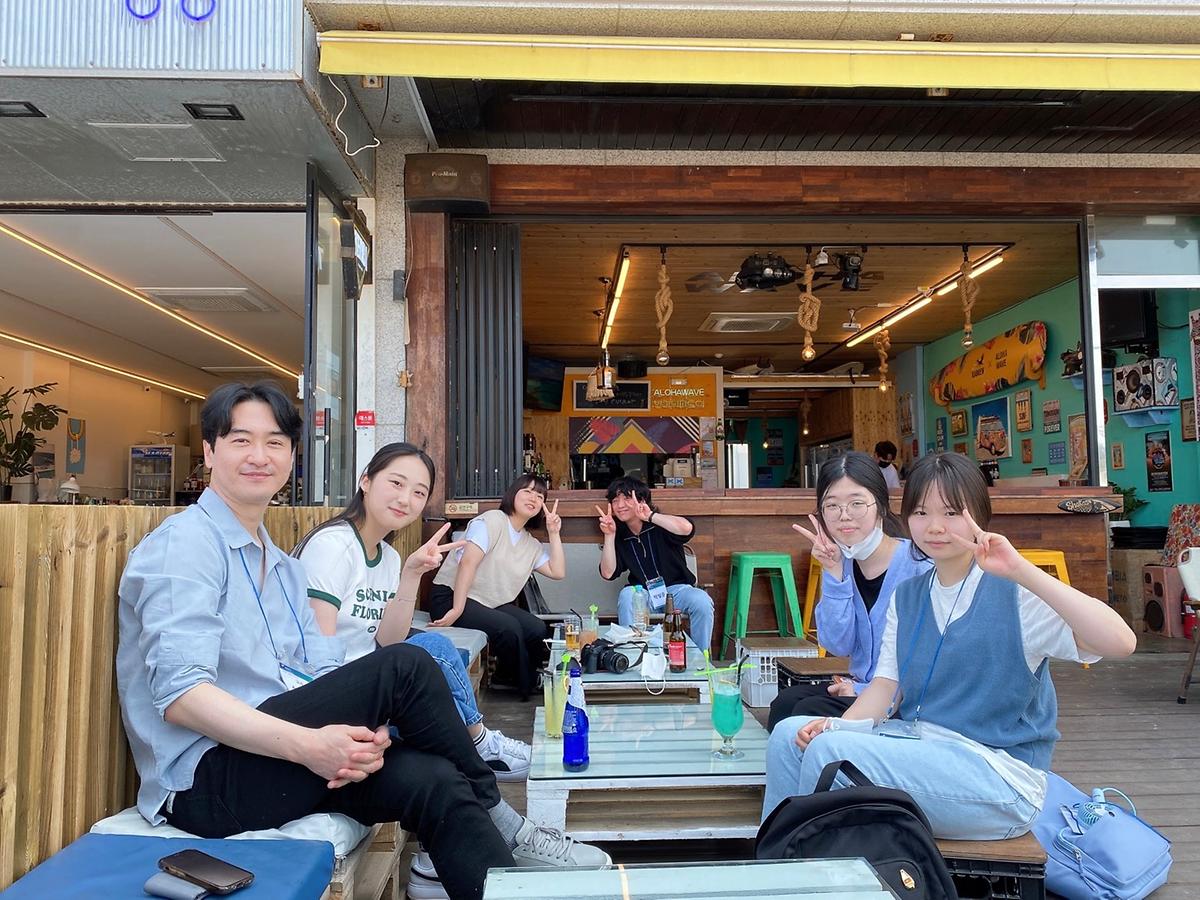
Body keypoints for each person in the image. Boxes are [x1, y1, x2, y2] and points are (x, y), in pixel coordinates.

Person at [116, 383, 606, 900]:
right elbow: (181, 697)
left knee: (436, 780)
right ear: (210, 451)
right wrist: (312, 745)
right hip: (204, 780)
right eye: (241, 440)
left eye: (275, 442)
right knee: (407, 665)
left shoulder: (278, 564)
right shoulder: (187, 544)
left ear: (292, 457)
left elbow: (312, 668)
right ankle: (505, 819)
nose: (259, 456)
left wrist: (363, 731)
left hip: (269, 754)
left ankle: (493, 861)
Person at [763, 452, 1136, 839]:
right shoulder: (908, 596)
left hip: (1000, 777)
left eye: (952, 512)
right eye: (921, 512)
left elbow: (1121, 643)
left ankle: (807, 855)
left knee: (830, 751)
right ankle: (778, 860)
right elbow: (884, 688)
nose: (935, 527)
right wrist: (836, 725)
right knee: (790, 737)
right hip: (918, 748)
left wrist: (1021, 570)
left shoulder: (1014, 594)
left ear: (979, 515)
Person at [294, 442, 531, 783]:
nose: (405, 499)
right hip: (323, 692)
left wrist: (411, 574)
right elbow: (317, 654)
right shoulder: (334, 546)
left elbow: (389, 640)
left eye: (419, 492)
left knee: (430, 650)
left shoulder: (388, 557)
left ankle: (477, 748)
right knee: (428, 656)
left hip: (367, 680)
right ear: (366, 481)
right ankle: (479, 744)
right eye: (396, 483)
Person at [768, 451, 930, 732]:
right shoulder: (843, 563)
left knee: (806, 712)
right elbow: (837, 645)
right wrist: (833, 572)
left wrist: (862, 690)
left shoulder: (920, 567)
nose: (844, 516)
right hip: (858, 687)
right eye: (832, 506)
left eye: (857, 503)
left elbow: (923, 661)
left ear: (880, 506)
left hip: (904, 700)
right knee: (785, 702)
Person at [428, 473, 560, 700]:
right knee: (509, 627)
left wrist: (554, 533)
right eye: (527, 491)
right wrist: (457, 609)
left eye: (540, 496)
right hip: (451, 597)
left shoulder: (530, 543)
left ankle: (508, 677)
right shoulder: (491, 521)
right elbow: (468, 563)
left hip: (487, 602)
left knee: (536, 627)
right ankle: (525, 684)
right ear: (512, 494)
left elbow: (557, 572)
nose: (534, 498)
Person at [597, 476, 715, 656]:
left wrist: (651, 516)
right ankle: (631, 657)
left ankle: (700, 659)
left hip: (677, 591)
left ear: (641, 500)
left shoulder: (659, 524)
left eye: (627, 498)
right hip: (642, 594)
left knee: (702, 601)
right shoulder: (620, 534)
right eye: (615, 500)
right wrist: (609, 535)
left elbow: (687, 528)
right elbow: (607, 572)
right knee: (627, 595)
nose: (620, 505)